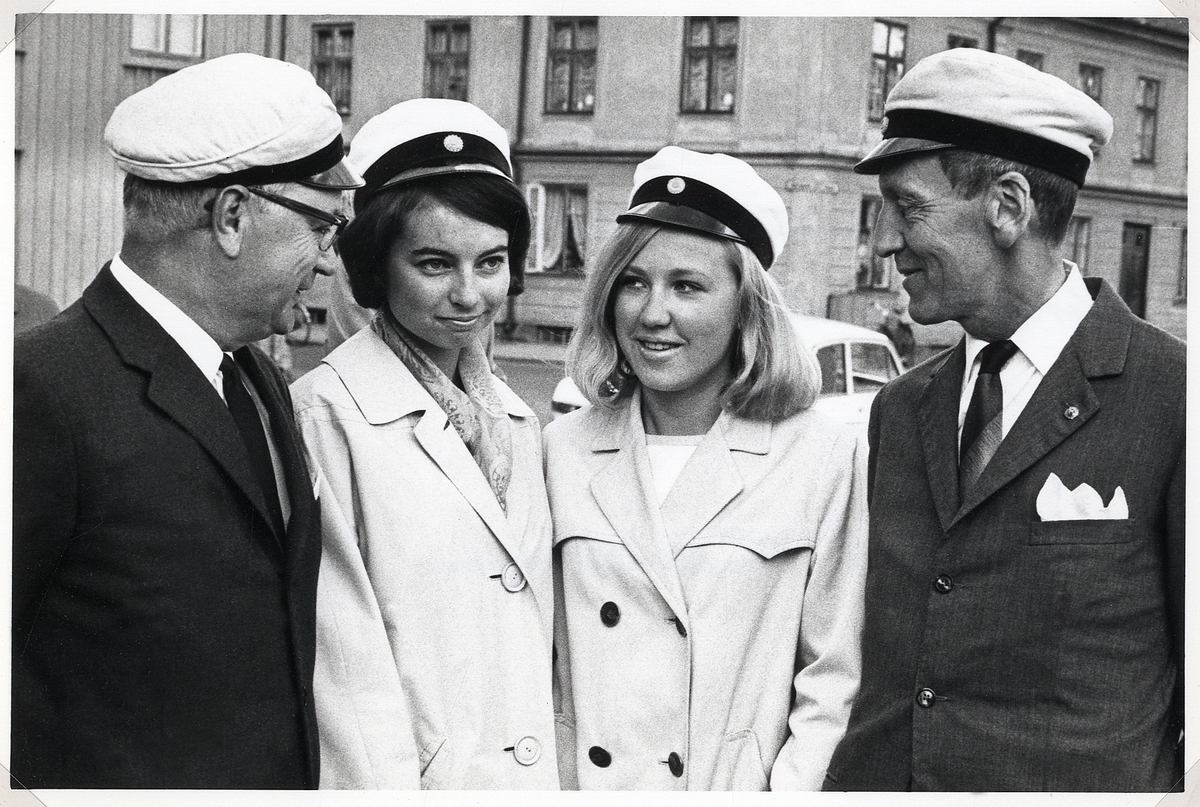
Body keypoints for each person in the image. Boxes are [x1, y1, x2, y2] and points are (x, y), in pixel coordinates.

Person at [824, 48, 1184, 792]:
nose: (885, 239)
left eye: (908, 207)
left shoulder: (1176, 399)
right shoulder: (900, 409)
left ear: (1009, 206)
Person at [12, 53, 361, 788]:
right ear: (232, 216)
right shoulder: (38, 388)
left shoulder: (258, 378)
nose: (330, 263)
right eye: (322, 228)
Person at [545, 146, 868, 790]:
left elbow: (834, 682)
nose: (651, 313)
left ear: (747, 305)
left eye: (686, 286)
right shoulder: (562, 449)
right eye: (633, 282)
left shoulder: (819, 456)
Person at [291, 99, 558, 789]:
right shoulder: (327, 415)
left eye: (491, 262)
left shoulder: (515, 420)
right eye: (436, 264)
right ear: (377, 267)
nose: (469, 294)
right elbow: (344, 674)